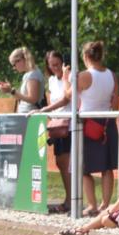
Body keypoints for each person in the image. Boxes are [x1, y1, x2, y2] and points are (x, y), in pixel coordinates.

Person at [73, 41, 119, 215]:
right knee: (107, 167)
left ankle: (92, 204)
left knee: (84, 167)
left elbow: (69, 95)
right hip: (107, 122)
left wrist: (67, 77)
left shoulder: (84, 76)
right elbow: (115, 103)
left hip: (88, 123)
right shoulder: (112, 75)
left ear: (85, 57)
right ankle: (105, 204)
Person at [31, 50, 72, 213]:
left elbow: (66, 99)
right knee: (61, 163)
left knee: (67, 163)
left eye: (57, 64)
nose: (55, 68)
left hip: (69, 125)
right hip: (57, 126)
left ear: (63, 63)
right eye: (51, 65)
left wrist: (45, 109)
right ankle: (69, 198)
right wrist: (48, 114)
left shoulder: (69, 77)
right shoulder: (52, 80)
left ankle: (71, 200)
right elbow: (54, 101)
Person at [0, 46, 43, 113]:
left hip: (31, 116)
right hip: (27, 115)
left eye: (14, 65)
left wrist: (12, 91)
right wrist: (9, 90)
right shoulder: (28, 74)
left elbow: (33, 99)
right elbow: (22, 98)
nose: (14, 68)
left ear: (20, 60)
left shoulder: (33, 74)